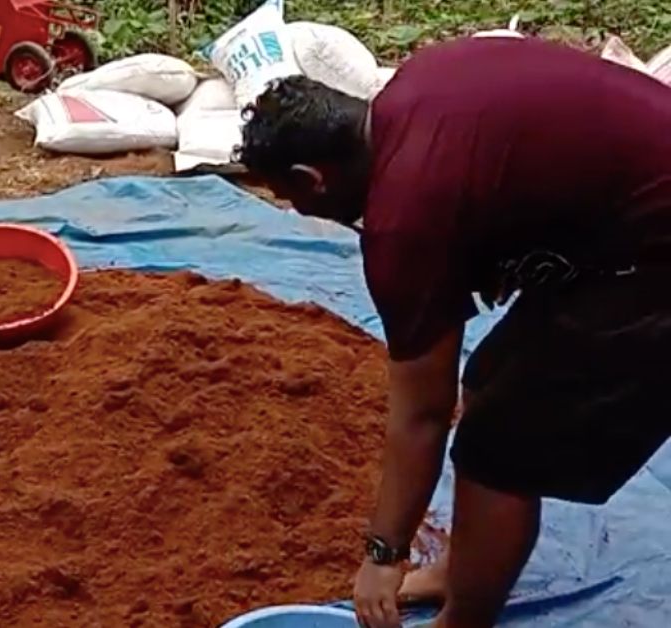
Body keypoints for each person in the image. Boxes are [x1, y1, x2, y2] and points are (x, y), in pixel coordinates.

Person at [237, 37, 671, 628]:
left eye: (288, 198)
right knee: (490, 377)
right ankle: (464, 567)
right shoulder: (419, 83)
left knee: (501, 447)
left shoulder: (404, 219)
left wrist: (384, 554)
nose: (296, 212)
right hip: (626, 219)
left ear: (310, 178)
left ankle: (467, 615)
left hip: (653, 261)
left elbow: (422, 413)